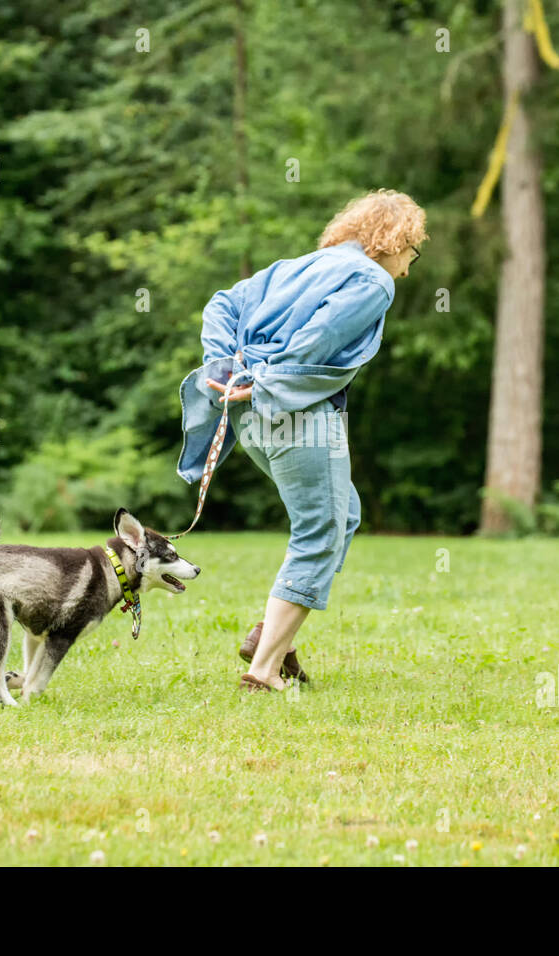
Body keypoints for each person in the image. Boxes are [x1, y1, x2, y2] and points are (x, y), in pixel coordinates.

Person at [176, 189, 427, 691]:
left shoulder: (291, 267)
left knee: (344, 514)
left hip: (250, 419)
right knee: (320, 528)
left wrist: (229, 366)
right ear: (393, 238)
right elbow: (320, 338)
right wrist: (265, 378)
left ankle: (275, 634)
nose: (408, 266)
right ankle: (264, 670)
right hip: (300, 414)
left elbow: (221, 304)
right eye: (413, 250)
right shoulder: (373, 279)